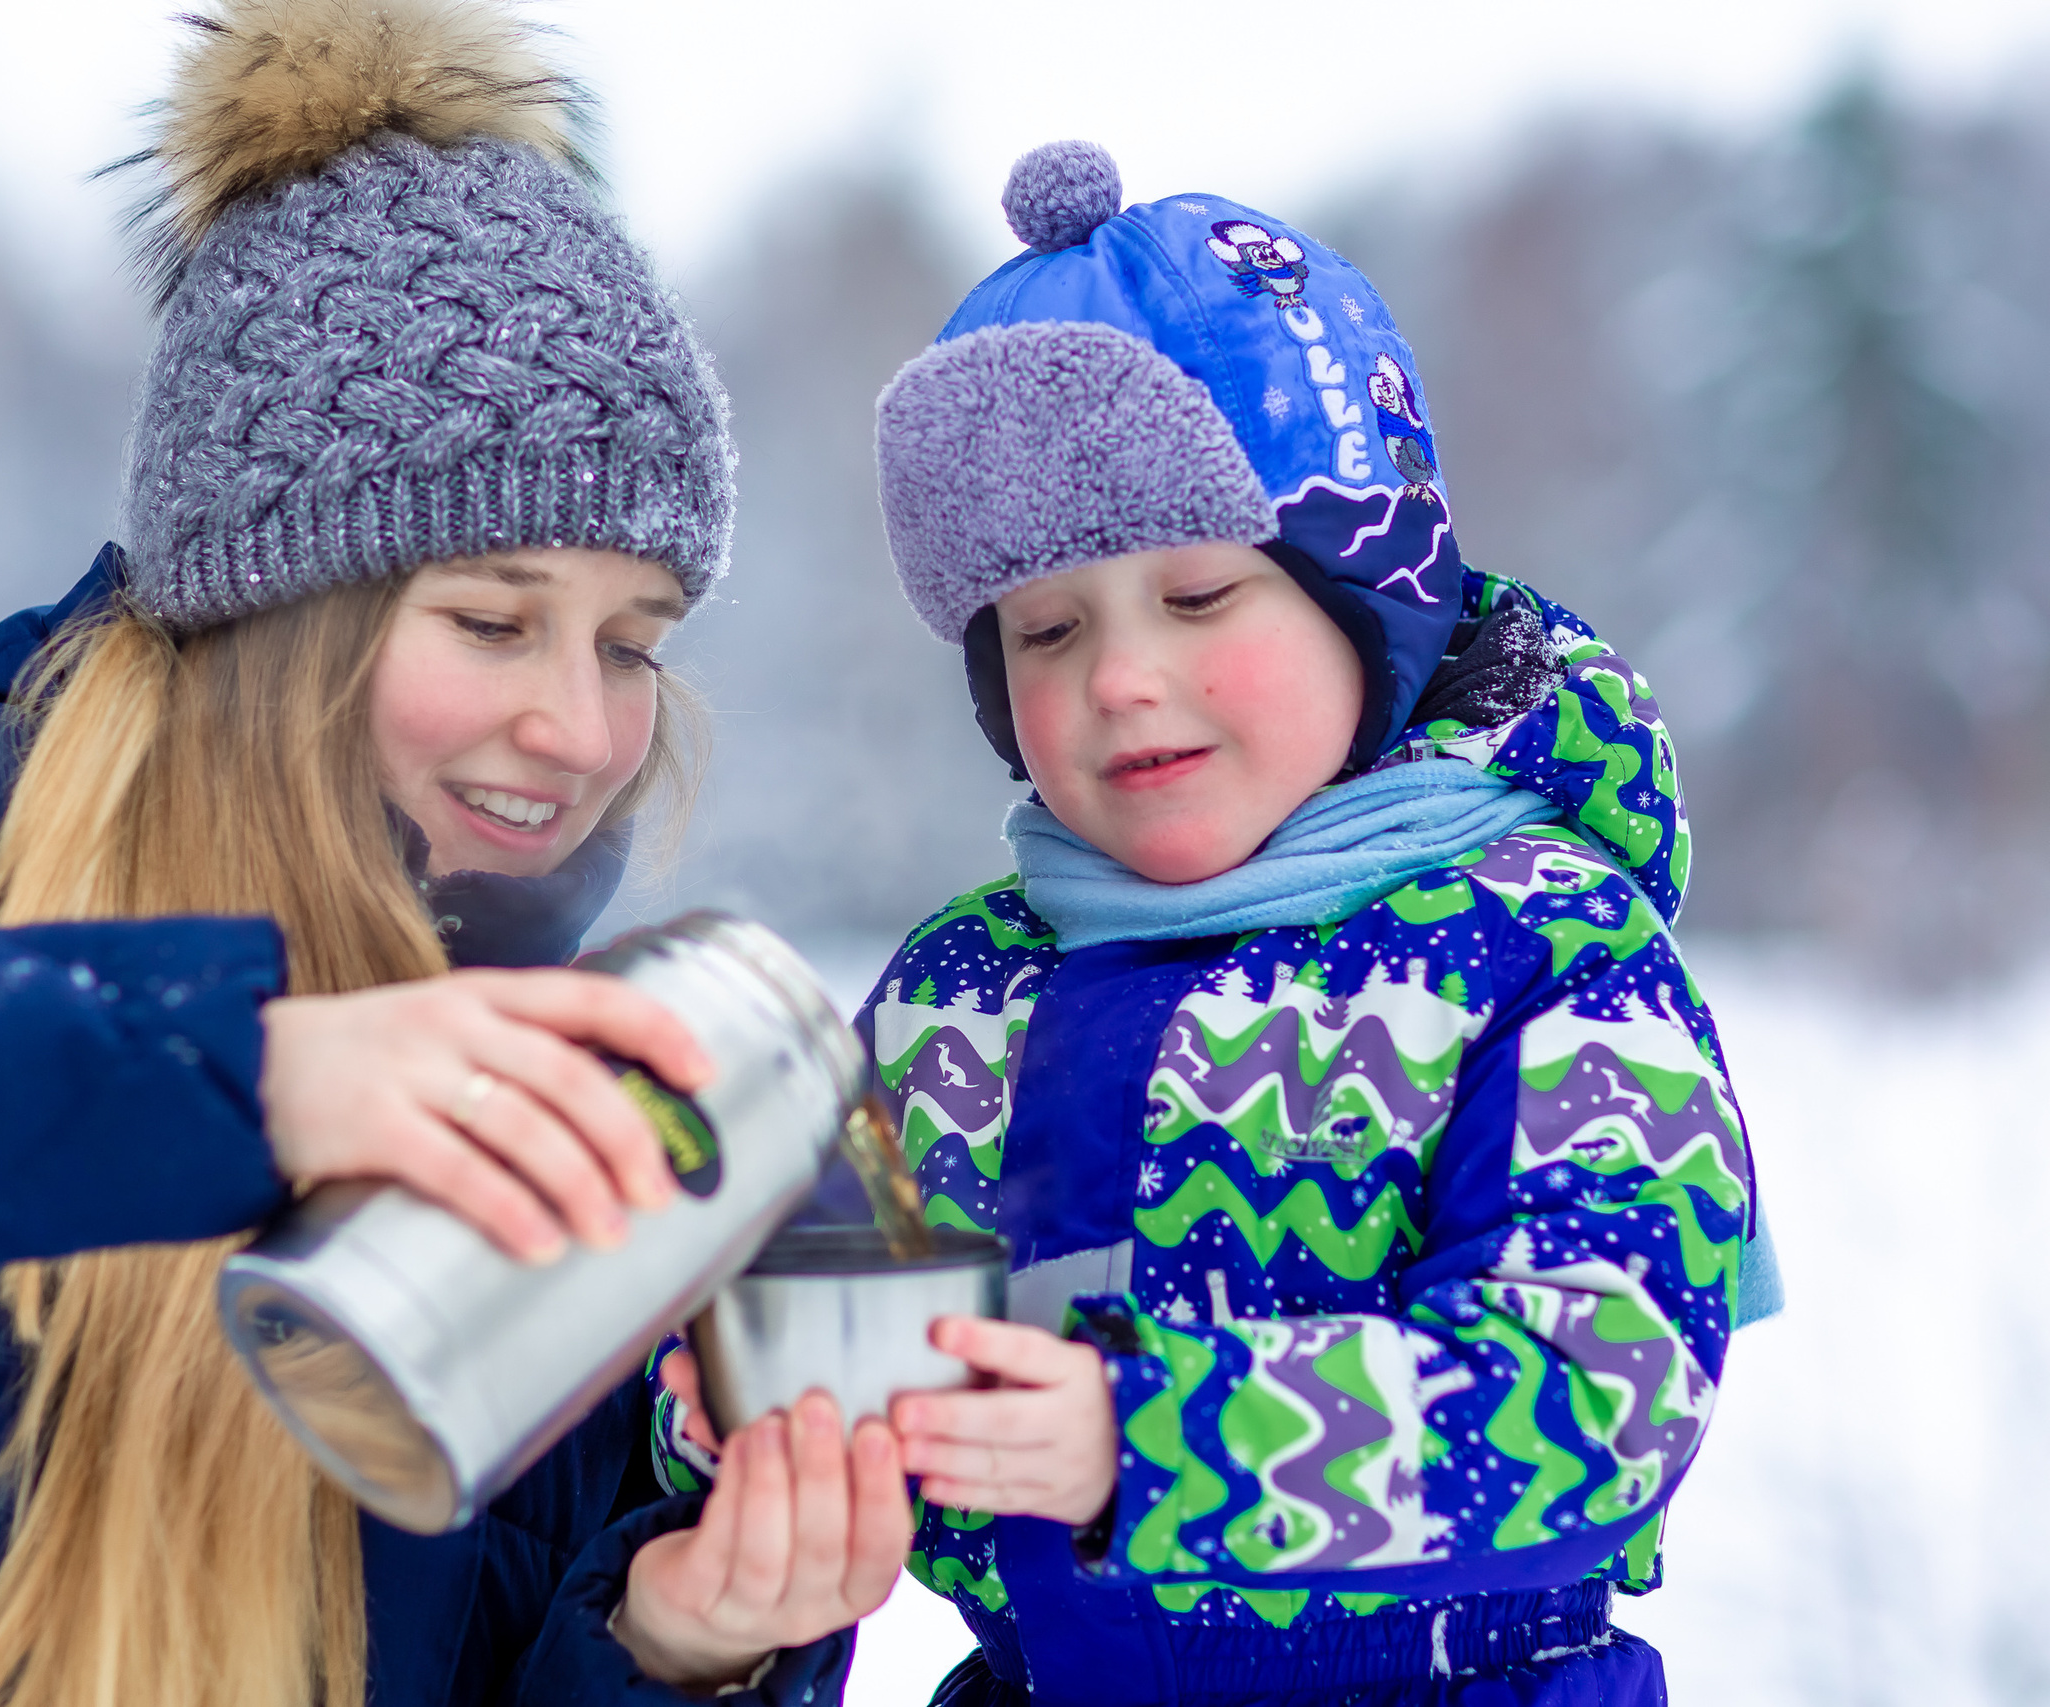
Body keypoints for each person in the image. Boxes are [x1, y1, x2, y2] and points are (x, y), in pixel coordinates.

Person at [0, 4, 909, 1704]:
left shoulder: (555, 1135)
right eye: (491, 618)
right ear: (275, 609)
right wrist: (243, 1078)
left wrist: (686, 1643)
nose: (586, 730)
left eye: (630, 640)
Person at [657, 141, 1766, 1705]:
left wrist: (1146, 1438)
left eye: (1198, 599)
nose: (1120, 678)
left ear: (1364, 608)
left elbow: (1604, 1389)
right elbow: (798, 1299)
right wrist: (728, 1388)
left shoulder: (1539, 952)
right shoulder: (957, 994)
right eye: (1046, 629)